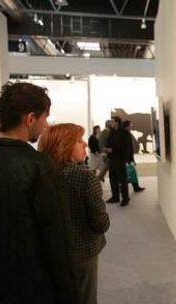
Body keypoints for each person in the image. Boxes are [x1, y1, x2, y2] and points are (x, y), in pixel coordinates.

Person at [0, 82, 77, 304]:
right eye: (45, 118)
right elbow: (56, 241)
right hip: (29, 287)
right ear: (30, 119)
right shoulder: (42, 168)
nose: (46, 125)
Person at [39, 123, 110, 304]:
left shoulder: (40, 175)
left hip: (49, 252)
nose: (85, 144)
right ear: (65, 145)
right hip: (83, 253)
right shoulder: (85, 177)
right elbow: (101, 223)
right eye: (79, 141)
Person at [106, 116, 132, 206]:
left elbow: (125, 147)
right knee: (113, 178)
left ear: (117, 122)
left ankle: (125, 198)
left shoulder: (125, 133)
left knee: (122, 179)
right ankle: (115, 197)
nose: (111, 123)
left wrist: (112, 150)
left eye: (112, 121)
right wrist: (107, 149)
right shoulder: (112, 132)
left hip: (120, 159)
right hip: (112, 158)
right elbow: (109, 143)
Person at [123, 120, 145, 192]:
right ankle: (134, 187)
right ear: (127, 126)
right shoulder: (126, 134)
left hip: (127, 157)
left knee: (131, 172)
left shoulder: (126, 133)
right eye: (131, 125)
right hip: (126, 157)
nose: (131, 126)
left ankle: (135, 187)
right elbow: (128, 148)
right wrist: (130, 159)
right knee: (129, 172)